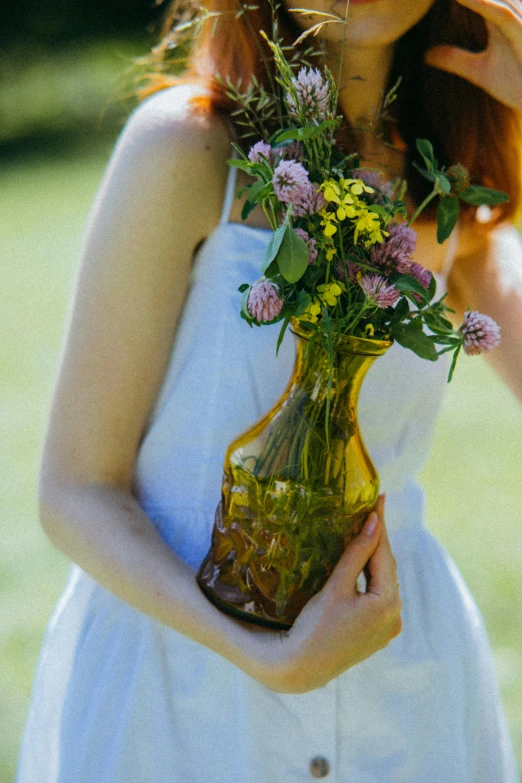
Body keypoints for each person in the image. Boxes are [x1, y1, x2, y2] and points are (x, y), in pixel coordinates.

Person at [15, 1, 522, 781]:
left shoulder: (443, 183)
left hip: (407, 692)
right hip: (184, 697)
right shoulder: (187, 149)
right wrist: (264, 654)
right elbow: (75, 489)